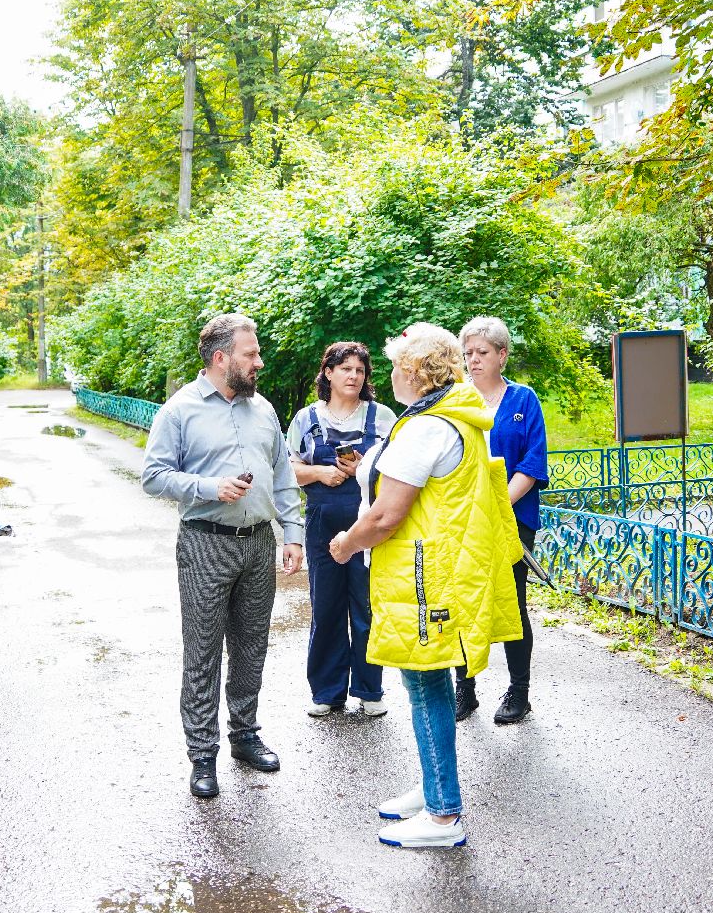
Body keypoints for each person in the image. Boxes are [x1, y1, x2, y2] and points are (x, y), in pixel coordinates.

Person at [328, 323, 520, 847]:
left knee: (424, 683)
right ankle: (434, 786)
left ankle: (442, 816)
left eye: (396, 365)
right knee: (424, 684)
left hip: (421, 575)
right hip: (432, 569)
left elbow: (386, 515)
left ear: (414, 372)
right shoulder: (448, 418)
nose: (389, 375)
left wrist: (346, 544)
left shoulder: (427, 428)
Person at [142, 314, 305, 799]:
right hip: (204, 542)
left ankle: (245, 735)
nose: (259, 362)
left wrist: (292, 533)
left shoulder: (264, 410)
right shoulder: (179, 410)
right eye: (250, 354)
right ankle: (202, 755)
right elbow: (153, 475)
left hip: (258, 543)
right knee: (203, 651)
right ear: (221, 358)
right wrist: (210, 487)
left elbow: (283, 475)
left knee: (252, 647)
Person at [286, 343, 397, 717]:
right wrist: (320, 472)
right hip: (322, 520)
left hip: (368, 521)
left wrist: (365, 468)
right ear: (328, 373)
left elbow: (401, 471)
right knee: (326, 606)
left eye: (360, 370)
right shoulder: (306, 418)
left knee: (367, 606)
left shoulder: (382, 417)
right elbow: (287, 471)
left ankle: (370, 689)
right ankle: (327, 692)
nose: (353, 376)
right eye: (346, 368)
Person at [453, 316, 548, 724]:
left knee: (512, 603)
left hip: (512, 516)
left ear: (502, 355)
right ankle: (465, 688)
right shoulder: (456, 399)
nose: (473, 360)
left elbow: (533, 461)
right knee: (464, 600)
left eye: (482, 352)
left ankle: (519, 692)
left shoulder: (523, 400)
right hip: (464, 519)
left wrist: (498, 504)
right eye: (468, 353)